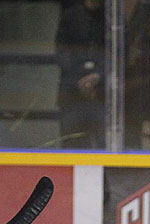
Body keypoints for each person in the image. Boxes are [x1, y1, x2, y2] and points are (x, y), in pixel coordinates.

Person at [55, 0, 106, 148]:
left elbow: (119, 53)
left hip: (101, 95)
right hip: (72, 93)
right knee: (72, 142)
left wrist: (98, 76)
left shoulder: (111, 19)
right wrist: (81, 79)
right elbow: (61, 52)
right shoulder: (69, 16)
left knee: (104, 144)